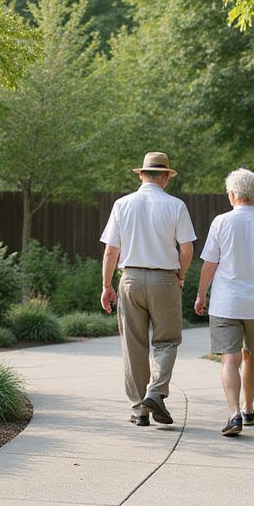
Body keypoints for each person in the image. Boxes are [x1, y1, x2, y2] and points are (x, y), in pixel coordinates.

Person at [100, 152, 196, 426]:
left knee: (133, 345)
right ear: (165, 177)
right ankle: (156, 391)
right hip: (164, 279)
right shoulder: (176, 206)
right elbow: (187, 248)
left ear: (142, 175)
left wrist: (107, 285)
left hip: (129, 278)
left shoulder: (122, 204)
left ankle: (139, 409)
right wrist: (180, 274)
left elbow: (110, 250)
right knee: (167, 341)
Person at [194, 167, 254, 437]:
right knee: (251, 355)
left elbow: (209, 264)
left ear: (233, 193)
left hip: (226, 303)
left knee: (229, 358)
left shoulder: (221, 222)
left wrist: (201, 294)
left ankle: (233, 412)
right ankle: (248, 409)